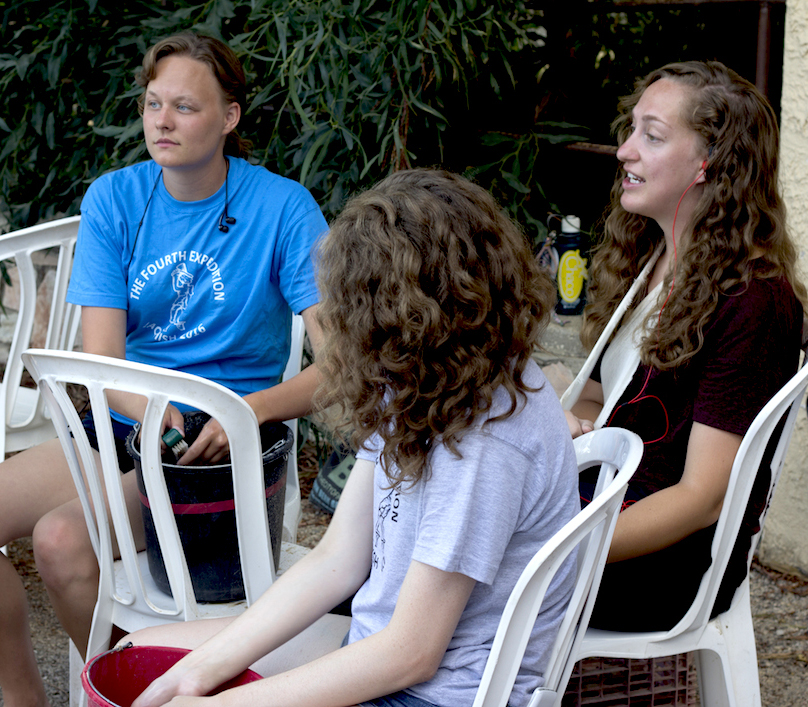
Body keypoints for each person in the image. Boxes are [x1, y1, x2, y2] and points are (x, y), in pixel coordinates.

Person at [124, 168, 580, 707]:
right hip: (377, 652)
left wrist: (222, 705)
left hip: (433, 694)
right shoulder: (424, 377)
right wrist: (200, 672)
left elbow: (412, 654)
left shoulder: (485, 441)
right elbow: (337, 560)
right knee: (140, 653)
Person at [0, 32, 327, 707]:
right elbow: (103, 360)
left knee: (60, 541)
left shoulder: (283, 208)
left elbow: (344, 366)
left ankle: (131, 688)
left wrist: (253, 411)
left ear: (229, 117)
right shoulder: (115, 198)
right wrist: (150, 409)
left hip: (215, 446)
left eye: (185, 106)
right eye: (154, 104)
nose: (163, 121)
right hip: (128, 418)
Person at [562, 60, 806, 631]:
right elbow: (597, 401)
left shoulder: (753, 299)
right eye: (631, 131)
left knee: (453, 560)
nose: (624, 151)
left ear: (710, 162)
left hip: (665, 564)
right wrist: (567, 419)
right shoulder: (646, 259)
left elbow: (703, 499)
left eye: (651, 136)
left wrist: (558, 548)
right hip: (600, 505)